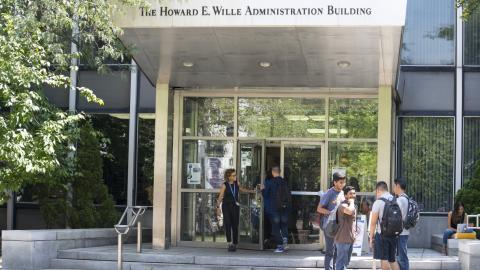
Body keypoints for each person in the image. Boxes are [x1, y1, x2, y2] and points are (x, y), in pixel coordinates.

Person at [216, 168, 252, 252]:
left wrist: (251, 191)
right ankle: (229, 243)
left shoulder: (237, 183)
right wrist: (218, 207)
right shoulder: (224, 185)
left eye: (235, 175)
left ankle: (235, 243)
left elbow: (242, 189)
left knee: (235, 224)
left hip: (235, 206)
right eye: (233, 175)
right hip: (226, 206)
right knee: (228, 223)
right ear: (229, 177)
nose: (235, 176)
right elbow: (220, 196)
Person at [317, 171, 346, 270]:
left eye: (343, 182)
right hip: (329, 226)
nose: (343, 184)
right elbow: (319, 209)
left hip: (339, 226)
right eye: (340, 182)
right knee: (330, 250)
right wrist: (330, 212)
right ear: (335, 182)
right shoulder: (329, 193)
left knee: (338, 250)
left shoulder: (342, 193)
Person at [369, 181, 400, 270]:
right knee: (392, 260)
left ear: (378, 190)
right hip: (394, 234)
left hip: (382, 234)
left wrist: (371, 238)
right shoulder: (395, 199)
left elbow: (373, 222)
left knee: (384, 259)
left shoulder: (378, 202)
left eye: (376, 192)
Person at [261, 166, 291, 253]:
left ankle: (280, 246)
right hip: (284, 208)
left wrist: (262, 190)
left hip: (273, 209)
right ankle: (285, 242)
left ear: (273, 172)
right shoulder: (285, 182)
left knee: (276, 228)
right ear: (280, 172)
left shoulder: (269, 182)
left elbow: (266, 195)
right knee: (284, 225)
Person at [335, 186, 357, 270]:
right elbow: (350, 211)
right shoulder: (343, 205)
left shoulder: (352, 205)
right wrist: (351, 202)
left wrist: (354, 235)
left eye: (354, 193)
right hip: (342, 239)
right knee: (341, 263)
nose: (353, 195)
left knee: (345, 263)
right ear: (345, 195)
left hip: (349, 238)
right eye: (350, 194)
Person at [393, 178, 409, 270]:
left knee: (402, 258)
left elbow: (394, 215)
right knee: (402, 257)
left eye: (394, 186)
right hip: (405, 231)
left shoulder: (400, 200)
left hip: (400, 233)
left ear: (398, 186)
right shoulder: (406, 198)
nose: (393, 188)